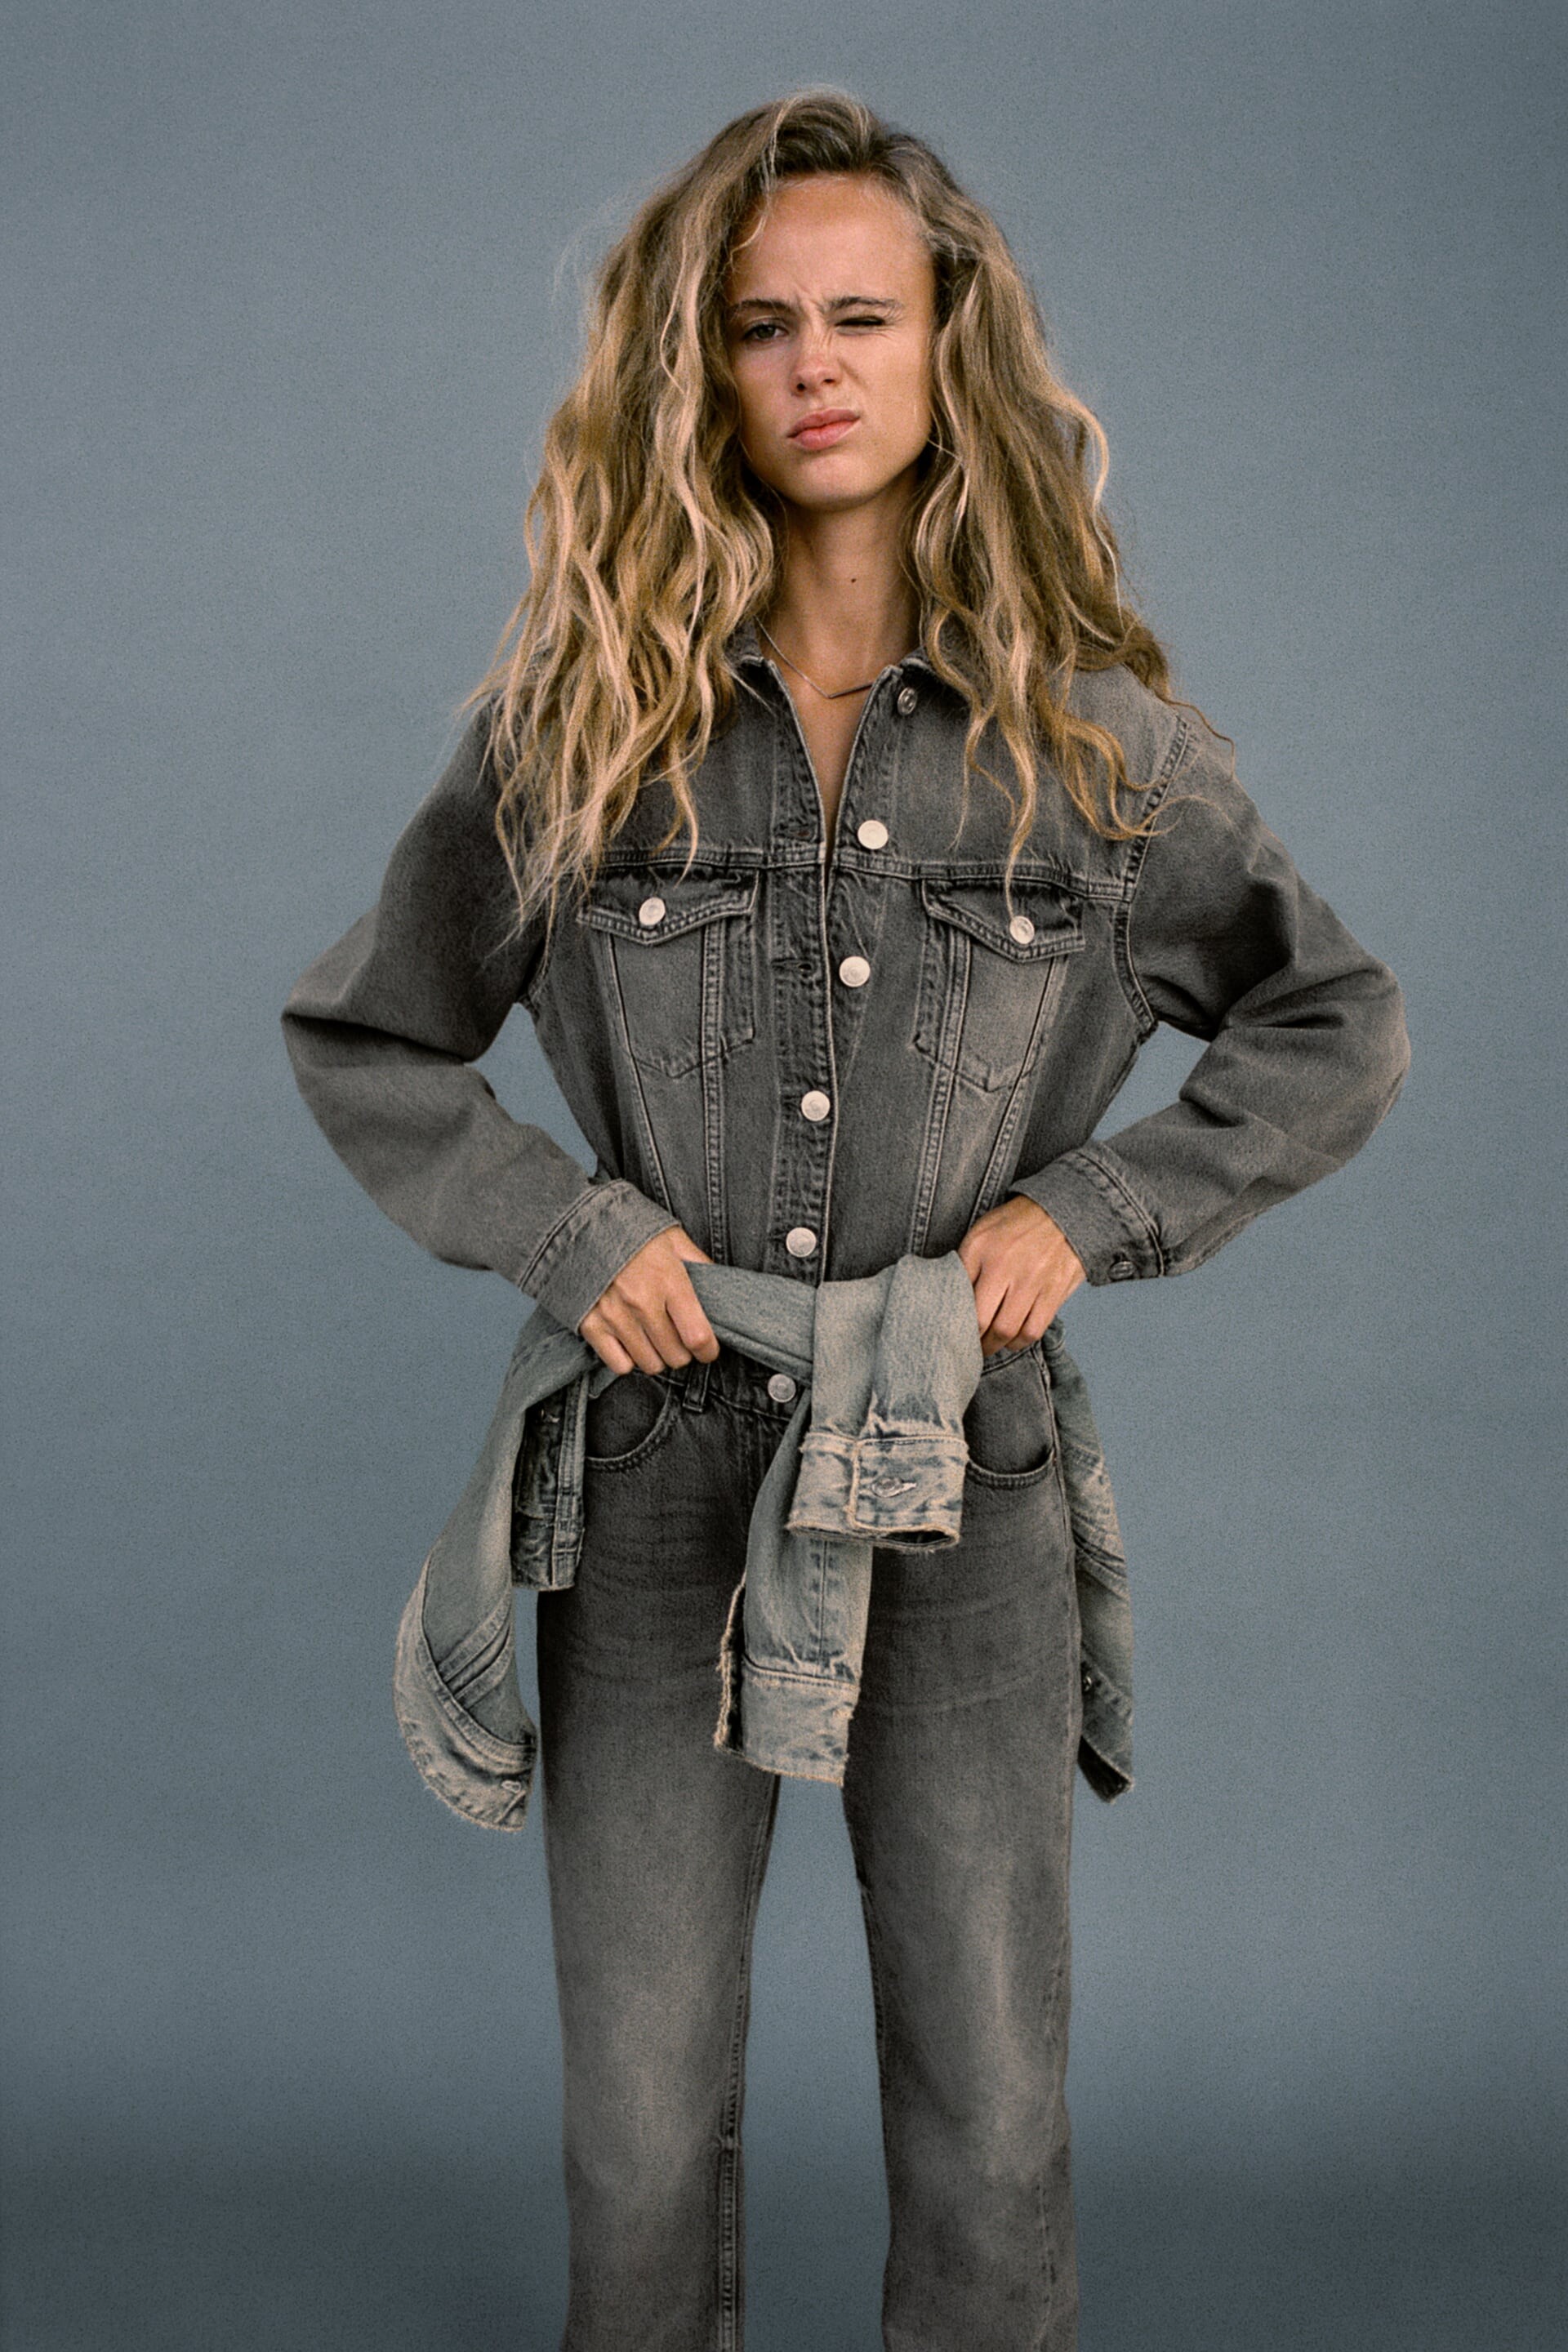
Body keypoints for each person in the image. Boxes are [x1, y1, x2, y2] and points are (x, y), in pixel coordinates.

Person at [281, 87, 1410, 2352]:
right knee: (636, 2115)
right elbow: (369, 1036)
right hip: (652, 1462)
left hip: (958, 1463)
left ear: (945, 344)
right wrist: (567, 1233)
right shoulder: (579, 732)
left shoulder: (1095, 750)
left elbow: (1334, 1021)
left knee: (988, 2108)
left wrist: (1093, 1211)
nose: (816, 364)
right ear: (698, 370)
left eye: (864, 317)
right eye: (763, 324)